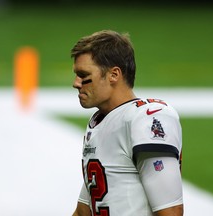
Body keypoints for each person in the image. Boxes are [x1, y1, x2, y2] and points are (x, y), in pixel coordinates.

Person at [71, 30, 183, 216]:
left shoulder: (145, 118)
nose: (76, 83)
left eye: (83, 75)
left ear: (114, 74)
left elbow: (171, 211)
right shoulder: (100, 122)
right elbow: (84, 210)